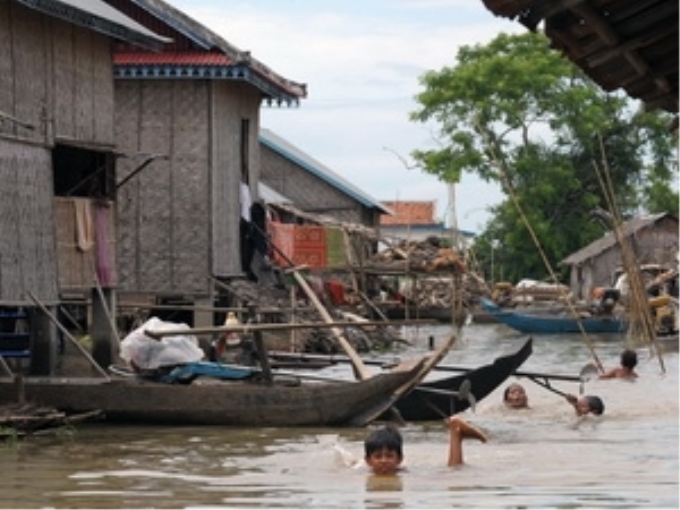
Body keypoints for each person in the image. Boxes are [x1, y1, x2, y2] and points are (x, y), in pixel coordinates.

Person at [362, 416, 487, 476]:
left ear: (399, 459)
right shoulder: (361, 472)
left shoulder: (404, 473)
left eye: (389, 456)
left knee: (454, 471)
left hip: (418, 469)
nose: (383, 461)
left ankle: (455, 430)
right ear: (368, 461)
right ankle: (456, 434)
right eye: (378, 456)